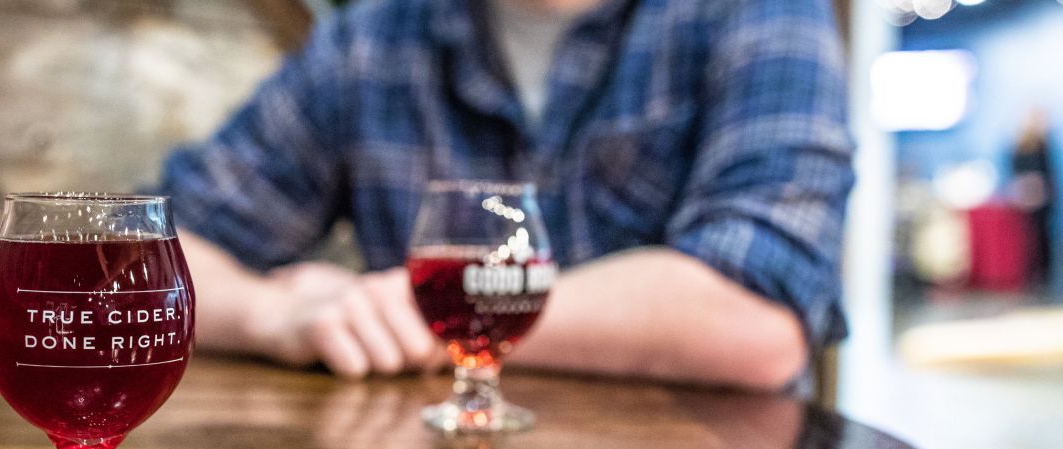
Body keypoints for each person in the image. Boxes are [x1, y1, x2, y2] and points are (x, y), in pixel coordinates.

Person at [157, 0, 854, 391]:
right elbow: (148, 256)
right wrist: (273, 314)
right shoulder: (370, 40)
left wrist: (429, 311)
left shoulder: (760, 12)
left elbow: (762, 319)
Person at [1011, 109, 1056, 287]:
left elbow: (1047, 173)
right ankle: (1029, 272)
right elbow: (1017, 171)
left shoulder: (1043, 145)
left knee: (1043, 236)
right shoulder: (1019, 146)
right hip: (1025, 197)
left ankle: (1044, 274)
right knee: (1026, 236)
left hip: (1042, 198)